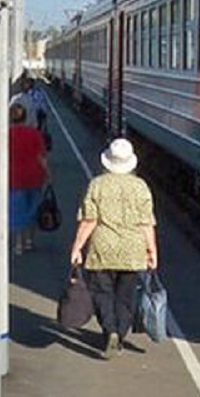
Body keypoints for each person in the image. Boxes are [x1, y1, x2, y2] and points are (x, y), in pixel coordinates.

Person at [69, 138, 157, 358]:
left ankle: (109, 329)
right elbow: (147, 223)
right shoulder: (140, 187)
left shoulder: (97, 184)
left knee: (102, 292)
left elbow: (89, 220)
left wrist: (77, 247)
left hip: (102, 248)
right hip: (132, 249)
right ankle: (121, 331)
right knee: (125, 295)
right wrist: (152, 251)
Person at [8, 102, 47, 254]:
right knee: (33, 209)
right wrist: (49, 174)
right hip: (35, 176)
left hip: (14, 177)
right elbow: (41, 157)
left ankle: (18, 244)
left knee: (17, 210)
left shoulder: (7, 134)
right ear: (25, 117)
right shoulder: (34, 134)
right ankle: (29, 241)